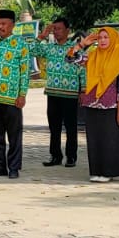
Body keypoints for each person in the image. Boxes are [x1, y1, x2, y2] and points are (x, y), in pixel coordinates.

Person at [67, 27, 119, 183]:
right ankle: (96, 170)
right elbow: (69, 59)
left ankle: (108, 171)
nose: (102, 40)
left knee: (109, 139)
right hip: (91, 103)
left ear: (112, 40)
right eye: (100, 37)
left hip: (110, 105)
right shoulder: (92, 56)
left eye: (106, 37)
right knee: (94, 139)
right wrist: (81, 45)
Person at [0, 10, 33, 179]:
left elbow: (25, 72)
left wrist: (22, 94)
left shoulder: (21, 45)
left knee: (14, 134)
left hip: (11, 98)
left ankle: (14, 167)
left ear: (13, 26)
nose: (0, 27)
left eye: (4, 24)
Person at [36, 18, 83, 168]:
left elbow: (83, 70)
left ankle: (71, 157)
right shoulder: (49, 48)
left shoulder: (75, 49)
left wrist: (83, 90)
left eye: (59, 29)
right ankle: (55, 155)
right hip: (52, 93)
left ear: (68, 31)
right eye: (54, 29)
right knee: (54, 127)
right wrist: (43, 35)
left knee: (71, 127)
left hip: (69, 94)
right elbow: (31, 49)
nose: (56, 32)